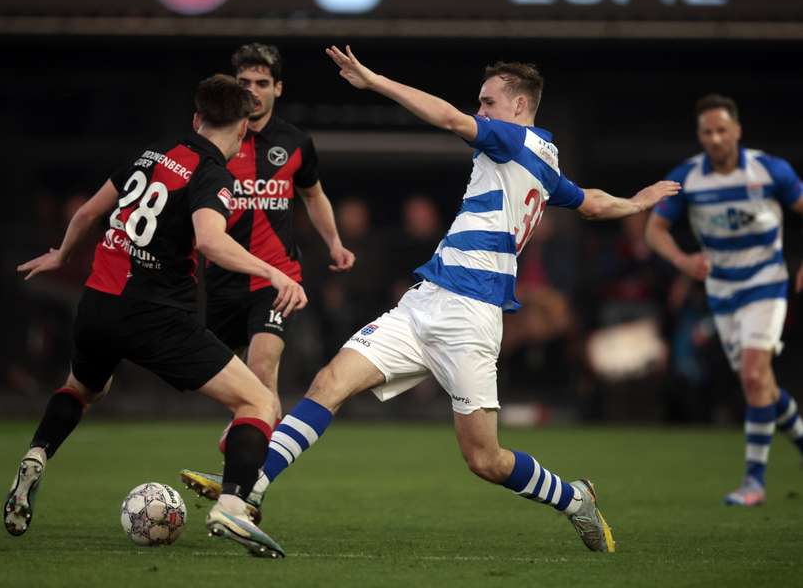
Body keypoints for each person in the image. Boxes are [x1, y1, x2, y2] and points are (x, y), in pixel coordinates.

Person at [182, 46, 679, 553]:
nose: (480, 112)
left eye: (488, 103)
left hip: (471, 318)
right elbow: (590, 202)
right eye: (479, 104)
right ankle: (244, 493)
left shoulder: (511, 139)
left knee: (486, 460)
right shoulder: (544, 161)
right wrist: (635, 201)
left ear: (520, 106)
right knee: (329, 382)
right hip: (425, 302)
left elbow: (447, 118)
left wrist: (375, 80)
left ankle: (575, 500)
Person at [2, 75, 307, 559]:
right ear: (244, 128)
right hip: (154, 316)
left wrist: (62, 254)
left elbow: (87, 213)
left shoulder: (150, 153)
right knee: (258, 403)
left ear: (195, 119)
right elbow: (210, 240)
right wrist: (275, 273)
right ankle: (232, 505)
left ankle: (38, 453)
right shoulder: (212, 173)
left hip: (97, 303)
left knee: (83, 389)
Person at [645, 94, 803, 506]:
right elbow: (654, 230)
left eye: (721, 130)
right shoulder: (688, 178)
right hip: (723, 291)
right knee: (760, 384)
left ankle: (754, 482)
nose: (715, 138)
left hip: (766, 283)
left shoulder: (770, 170)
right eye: (707, 132)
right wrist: (683, 261)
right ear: (699, 135)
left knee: (753, 377)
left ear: (737, 131)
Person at [205, 43, 355, 451]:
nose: (252, 90)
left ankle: (249, 478)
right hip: (218, 279)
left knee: (262, 370)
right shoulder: (212, 142)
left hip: (277, 279)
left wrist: (335, 244)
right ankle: (245, 439)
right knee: (215, 378)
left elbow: (314, 195)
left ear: (278, 89)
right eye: (244, 82)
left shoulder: (295, 142)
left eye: (262, 83)